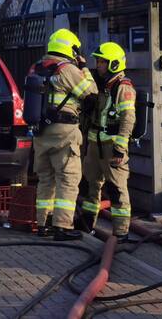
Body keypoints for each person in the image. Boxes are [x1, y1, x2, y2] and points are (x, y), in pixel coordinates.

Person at [29, 28, 97, 240]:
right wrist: (84, 68)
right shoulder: (67, 69)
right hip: (64, 132)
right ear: (71, 49)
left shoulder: (36, 67)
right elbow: (91, 94)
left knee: (45, 179)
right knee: (68, 179)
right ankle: (62, 227)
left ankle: (43, 224)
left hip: (40, 132)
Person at [78, 42, 136, 239]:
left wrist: (120, 148)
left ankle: (121, 233)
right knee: (89, 187)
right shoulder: (101, 84)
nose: (98, 65)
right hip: (94, 146)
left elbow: (128, 118)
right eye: (98, 61)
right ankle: (86, 225)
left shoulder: (123, 87)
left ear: (113, 64)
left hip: (112, 148)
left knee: (116, 190)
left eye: (102, 62)